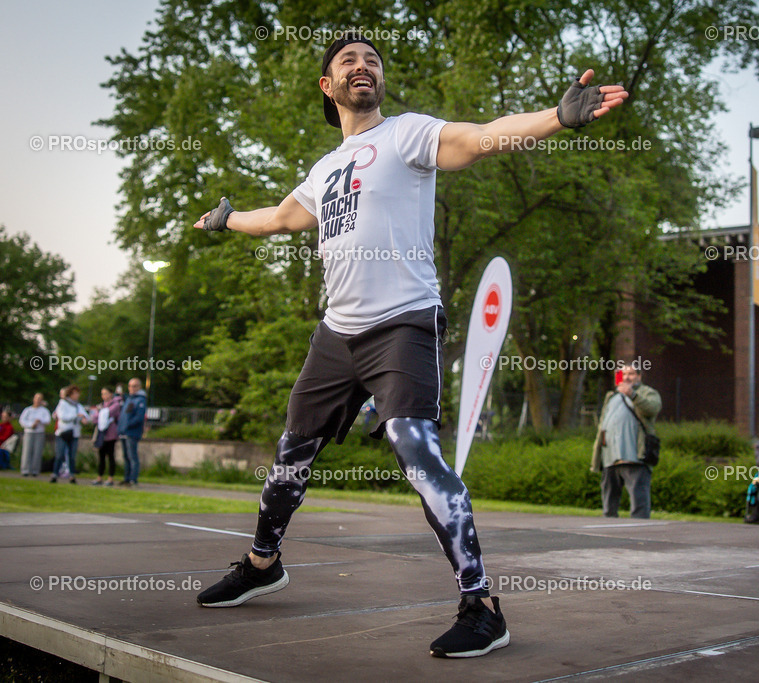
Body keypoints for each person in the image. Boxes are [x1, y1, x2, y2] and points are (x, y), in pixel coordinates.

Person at [191, 30, 628, 658]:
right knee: (291, 451)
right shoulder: (324, 170)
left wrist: (557, 117)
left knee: (414, 451)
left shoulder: (407, 134)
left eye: (372, 60)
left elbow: (479, 137)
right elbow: (281, 218)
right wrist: (226, 219)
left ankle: (481, 608)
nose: (363, 66)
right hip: (336, 332)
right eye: (349, 61)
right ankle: (262, 565)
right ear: (328, 85)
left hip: (402, 322)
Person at [591, 365, 662, 519]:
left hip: (634, 456)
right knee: (609, 501)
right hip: (610, 457)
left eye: (631, 374)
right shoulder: (612, 396)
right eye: (623, 374)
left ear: (639, 376)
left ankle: (640, 530)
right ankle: (609, 530)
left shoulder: (647, 393)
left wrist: (633, 395)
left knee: (639, 499)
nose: (627, 377)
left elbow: (653, 409)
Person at [51, 385, 89, 484]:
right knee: (59, 454)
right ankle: (55, 474)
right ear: (71, 394)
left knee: (72, 456)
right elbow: (62, 417)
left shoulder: (78, 405)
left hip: (74, 434)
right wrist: (76, 416)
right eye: (75, 393)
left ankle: (72, 475)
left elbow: (85, 416)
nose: (77, 395)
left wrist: (84, 417)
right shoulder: (62, 403)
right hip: (63, 433)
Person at [117, 378, 147, 486]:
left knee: (132, 456)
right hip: (124, 432)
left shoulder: (140, 400)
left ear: (139, 387)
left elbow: (139, 418)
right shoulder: (129, 399)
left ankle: (133, 479)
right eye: (130, 386)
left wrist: (127, 425)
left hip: (132, 433)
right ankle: (127, 478)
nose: (132, 388)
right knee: (126, 456)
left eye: (134, 386)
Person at [91, 388, 122, 486]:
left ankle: (110, 478)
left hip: (111, 435)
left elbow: (107, 413)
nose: (104, 396)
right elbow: (95, 418)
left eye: (106, 393)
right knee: (101, 457)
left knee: (111, 456)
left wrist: (100, 413)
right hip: (102, 435)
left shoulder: (115, 405)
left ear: (111, 394)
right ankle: (99, 477)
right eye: (102, 394)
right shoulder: (101, 406)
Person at [19, 393, 50, 477]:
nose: (38, 400)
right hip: (29, 432)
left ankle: (35, 470)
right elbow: (22, 421)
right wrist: (31, 425)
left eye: (40, 398)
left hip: (39, 432)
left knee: (37, 451)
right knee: (27, 451)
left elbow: (47, 420)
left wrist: (40, 421)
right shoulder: (28, 410)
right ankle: (25, 469)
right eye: (36, 398)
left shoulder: (44, 411)